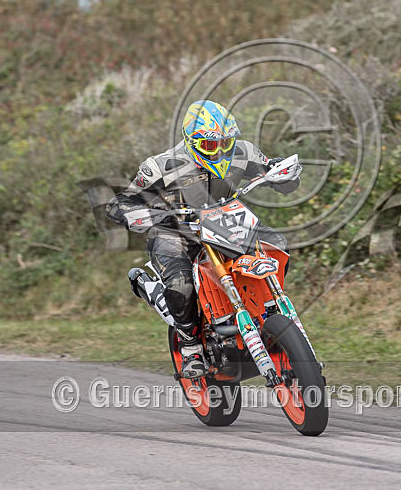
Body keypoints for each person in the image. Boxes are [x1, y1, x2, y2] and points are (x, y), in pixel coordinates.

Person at [106, 100, 300, 378]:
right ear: (191, 141)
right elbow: (119, 203)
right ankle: (191, 347)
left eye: (226, 143)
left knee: (277, 244)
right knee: (180, 282)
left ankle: (267, 309)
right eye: (211, 146)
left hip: (229, 222)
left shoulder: (244, 151)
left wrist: (283, 173)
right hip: (175, 232)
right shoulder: (160, 167)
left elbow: (278, 178)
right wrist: (147, 215)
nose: (220, 150)